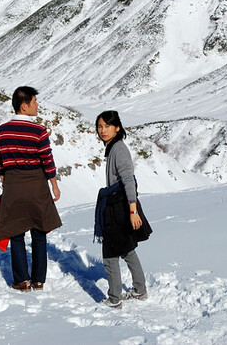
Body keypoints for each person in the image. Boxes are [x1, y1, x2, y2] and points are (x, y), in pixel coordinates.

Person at [0, 86, 62, 291]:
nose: (37, 105)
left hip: (13, 185)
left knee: (16, 232)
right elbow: (47, 160)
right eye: (34, 102)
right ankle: (39, 280)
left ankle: (21, 280)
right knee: (39, 232)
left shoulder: (2, 131)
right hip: (36, 185)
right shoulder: (38, 131)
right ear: (24, 106)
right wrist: (54, 185)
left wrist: (5, 178)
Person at [94, 110, 152, 309]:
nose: (103, 130)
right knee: (127, 249)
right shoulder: (114, 147)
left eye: (107, 126)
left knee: (110, 254)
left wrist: (133, 210)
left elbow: (128, 179)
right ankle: (140, 289)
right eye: (100, 126)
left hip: (119, 206)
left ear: (117, 128)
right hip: (121, 204)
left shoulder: (118, 149)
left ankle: (114, 299)